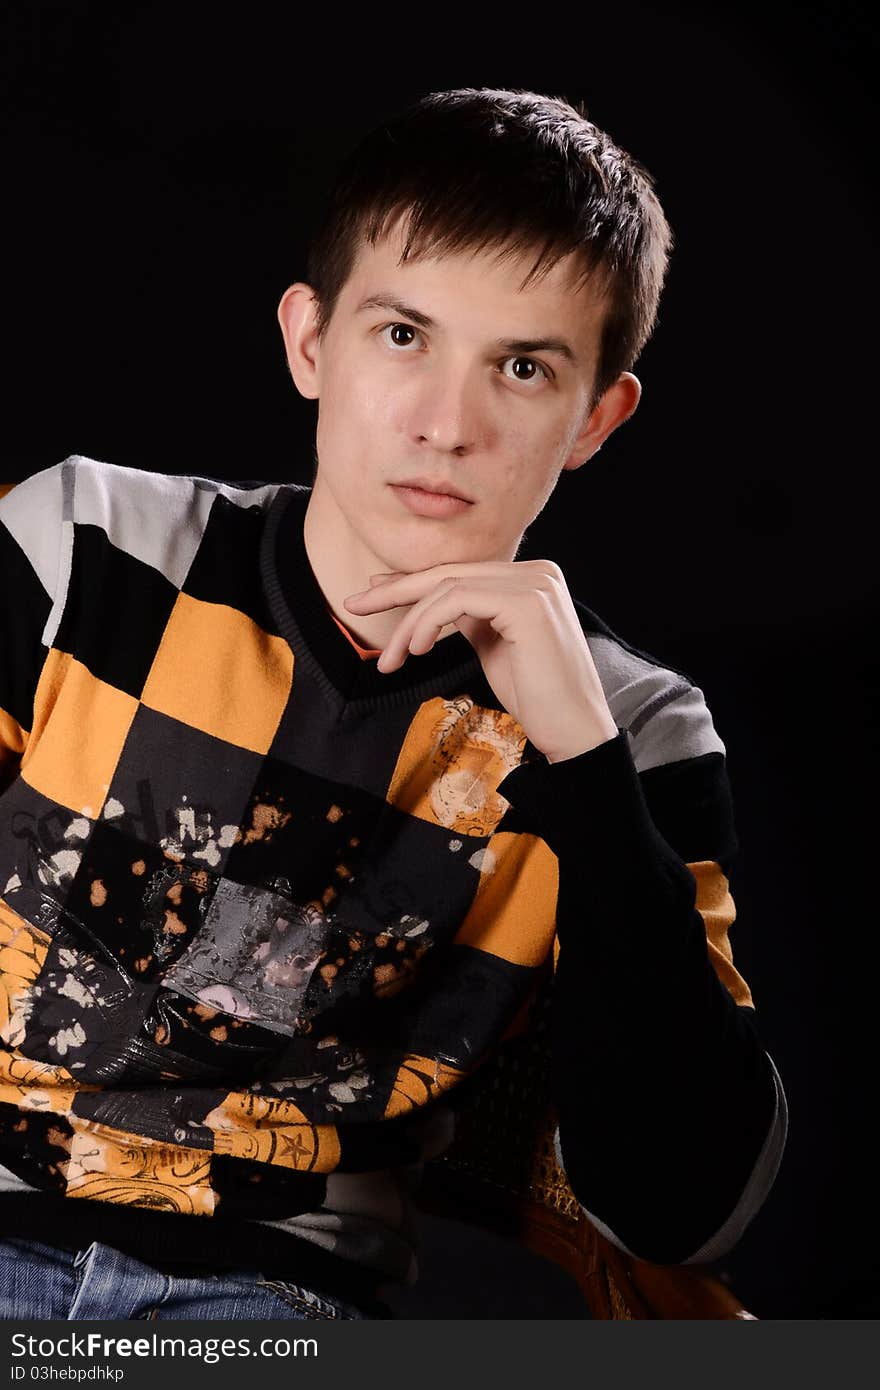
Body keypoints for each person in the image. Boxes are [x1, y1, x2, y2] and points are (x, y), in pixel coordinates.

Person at [0, 86, 787, 1321]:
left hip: (272, 1298)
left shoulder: (632, 730)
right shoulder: (81, 548)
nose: (445, 426)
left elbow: (683, 1203)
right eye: (404, 335)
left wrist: (581, 764)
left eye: (522, 367)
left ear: (595, 418)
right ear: (311, 342)